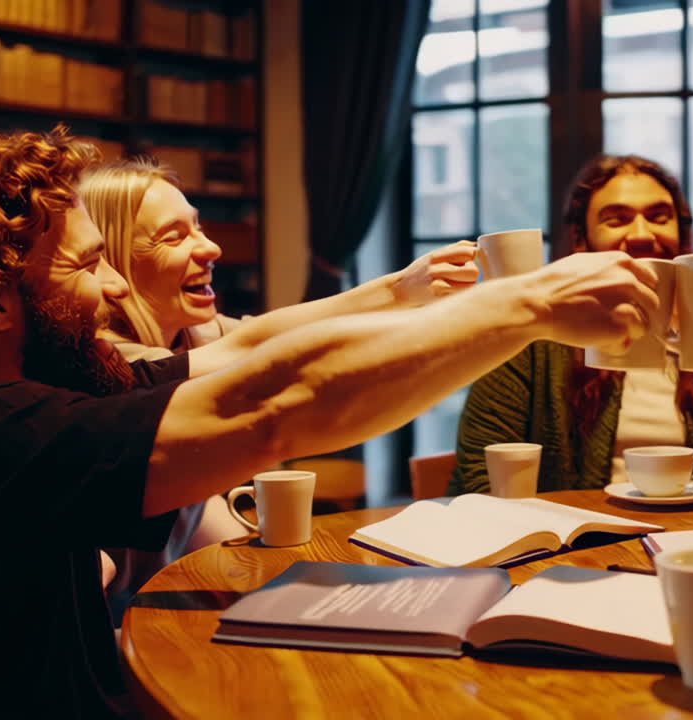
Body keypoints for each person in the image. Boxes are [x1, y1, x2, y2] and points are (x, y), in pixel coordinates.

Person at [0, 127, 660, 719]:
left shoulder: (15, 410)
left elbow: (253, 358)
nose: (115, 292)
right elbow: (272, 405)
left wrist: (429, 298)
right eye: (85, 267)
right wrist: (530, 305)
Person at [77, 157, 479, 619]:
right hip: (113, 628)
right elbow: (266, 349)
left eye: (199, 227)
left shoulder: (195, 336)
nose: (210, 249)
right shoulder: (104, 362)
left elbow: (269, 337)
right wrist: (402, 293)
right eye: (175, 236)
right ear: (111, 260)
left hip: (172, 601)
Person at [451, 154, 693, 494]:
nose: (642, 235)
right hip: (563, 541)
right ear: (583, 239)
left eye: (660, 217)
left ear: (682, 234)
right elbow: (481, 476)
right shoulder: (531, 334)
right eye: (616, 220)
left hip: (683, 541)